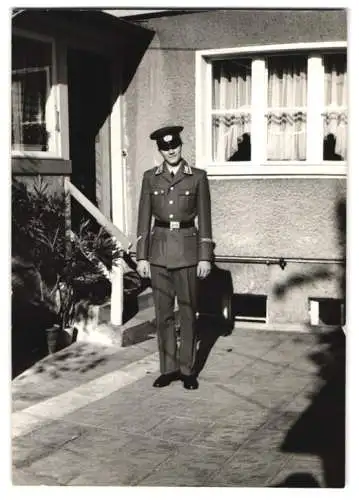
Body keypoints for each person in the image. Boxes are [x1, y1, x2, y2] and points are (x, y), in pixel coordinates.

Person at [136, 125, 213, 390]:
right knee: (163, 314)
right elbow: (143, 218)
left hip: (189, 253)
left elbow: (205, 219)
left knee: (189, 312)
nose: (171, 151)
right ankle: (168, 369)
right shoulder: (150, 178)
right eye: (165, 148)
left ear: (181, 146)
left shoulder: (197, 177)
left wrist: (205, 257)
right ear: (160, 151)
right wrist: (142, 257)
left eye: (175, 146)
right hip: (158, 254)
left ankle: (187, 370)